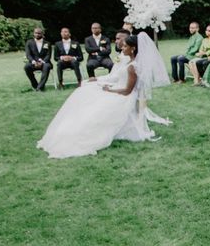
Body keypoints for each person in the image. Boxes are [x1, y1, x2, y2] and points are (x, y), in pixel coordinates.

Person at [37, 33, 168, 158]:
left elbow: (128, 90)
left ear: (133, 49)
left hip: (124, 96)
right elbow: (116, 78)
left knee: (97, 104)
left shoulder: (132, 67)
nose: (122, 48)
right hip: (117, 89)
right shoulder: (128, 62)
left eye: (125, 46)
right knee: (86, 91)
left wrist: (109, 91)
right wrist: (101, 82)